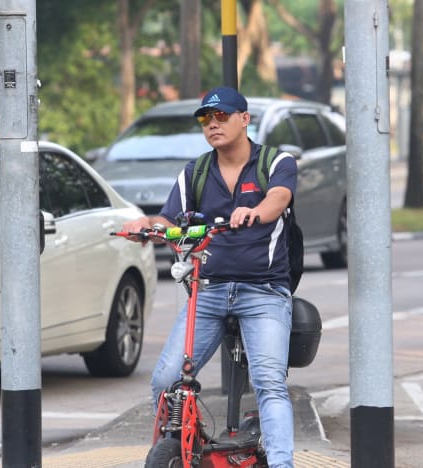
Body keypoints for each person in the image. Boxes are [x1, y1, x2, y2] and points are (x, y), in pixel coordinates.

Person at [121, 86, 297, 468]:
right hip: (209, 290)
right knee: (167, 381)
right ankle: (184, 448)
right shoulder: (196, 172)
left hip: (263, 291)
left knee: (270, 384)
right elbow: (169, 221)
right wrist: (145, 224)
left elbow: (278, 198)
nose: (212, 124)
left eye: (221, 116)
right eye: (205, 118)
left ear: (244, 119)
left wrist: (253, 212)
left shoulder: (275, 162)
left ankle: (282, 464)